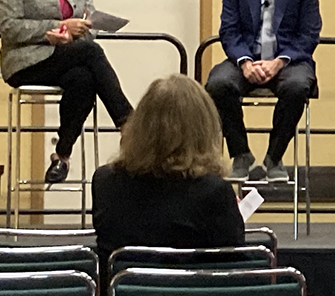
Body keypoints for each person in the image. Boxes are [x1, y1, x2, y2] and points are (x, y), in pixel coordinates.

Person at [0, 0, 134, 183]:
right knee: (90, 52)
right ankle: (130, 126)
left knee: (83, 78)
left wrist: (79, 29)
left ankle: (61, 156)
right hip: (26, 60)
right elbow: (8, 27)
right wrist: (53, 29)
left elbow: (88, 18)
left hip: (70, 54)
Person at [205, 0, 321, 182]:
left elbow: (309, 34)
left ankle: (274, 157)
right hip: (245, 57)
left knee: (297, 86)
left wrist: (278, 62)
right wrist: (245, 62)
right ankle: (241, 154)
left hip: (288, 61)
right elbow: (229, 30)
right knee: (218, 84)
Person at [92, 74, 244, 269]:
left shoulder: (104, 182)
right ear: (204, 128)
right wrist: (231, 212)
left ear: (139, 124)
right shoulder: (214, 191)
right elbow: (234, 268)